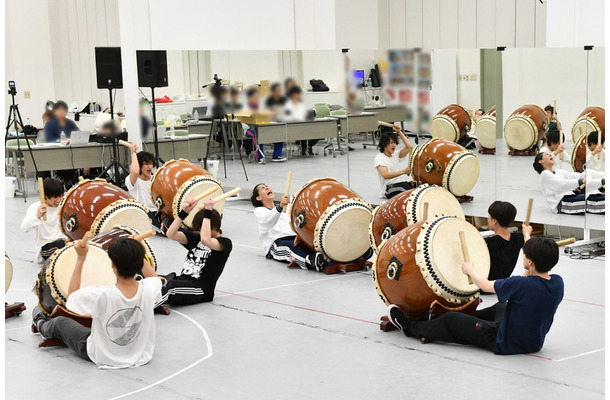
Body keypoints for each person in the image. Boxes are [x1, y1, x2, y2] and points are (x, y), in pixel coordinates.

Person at [388, 237, 564, 355]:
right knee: (503, 306)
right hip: (533, 342)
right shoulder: (557, 283)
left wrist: (469, 269)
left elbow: (485, 286)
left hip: (503, 341)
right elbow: (527, 283)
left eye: (525, 255)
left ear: (531, 261)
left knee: (451, 320)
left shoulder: (520, 284)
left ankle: (409, 327)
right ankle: (453, 321)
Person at [31, 238, 163, 368]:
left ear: (112, 265)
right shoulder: (149, 289)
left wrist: (81, 258)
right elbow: (155, 279)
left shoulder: (101, 295)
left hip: (101, 354)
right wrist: (138, 252)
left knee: (60, 322)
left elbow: (71, 298)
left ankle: (41, 323)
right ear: (140, 264)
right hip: (140, 355)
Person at [160, 198, 232, 306]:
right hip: (182, 281)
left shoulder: (225, 243)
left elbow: (206, 240)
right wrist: (184, 212)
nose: (199, 232)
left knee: (169, 287)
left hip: (200, 289)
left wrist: (208, 212)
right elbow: (170, 234)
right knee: (152, 280)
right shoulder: (196, 238)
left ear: (215, 226)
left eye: (201, 228)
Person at [250, 184, 324, 272]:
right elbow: (268, 221)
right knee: (289, 247)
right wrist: (280, 206)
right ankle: (309, 261)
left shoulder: (287, 207)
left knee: (312, 243)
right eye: (262, 188)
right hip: (276, 242)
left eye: (266, 186)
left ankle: (323, 258)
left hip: (295, 237)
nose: (266, 187)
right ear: (258, 198)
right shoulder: (259, 211)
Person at [533, 152, 604, 213]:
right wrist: (580, 181)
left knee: (588, 172)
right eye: (547, 154)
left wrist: (586, 176)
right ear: (541, 161)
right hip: (563, 203)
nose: (550, 155)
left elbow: (577, 176)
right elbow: (563, 184)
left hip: (571, 197)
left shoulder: (559, 172)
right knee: (595, 199)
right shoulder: (544, 174)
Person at [125, 142, 169, 234]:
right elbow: (135, 172)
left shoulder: (155, 179)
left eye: (151, 164)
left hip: (158, 212)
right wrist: (133, 152)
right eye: (146, 164)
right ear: (140, 166)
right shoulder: (133, 180)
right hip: (143, 213)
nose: (150, 166)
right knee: (163, 230)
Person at [20, 178, 67, 263]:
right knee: (61, 247)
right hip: (45, 248)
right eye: (55, 197)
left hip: (64, 242)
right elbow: (24, 228)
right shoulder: (35, 207)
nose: (59, 200)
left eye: (61, 196)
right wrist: (37, 216)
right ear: (45, 195)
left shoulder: (64, 205)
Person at [485, 201, 532, 282]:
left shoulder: (489, 242)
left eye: (489, 217)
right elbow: (532, 248)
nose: (488, 219)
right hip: (502, 284)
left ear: (494, 221)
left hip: (484, 285)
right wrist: (527, 234)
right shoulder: (518, 238)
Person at [244, 87, 286, 163]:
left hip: (263, 126)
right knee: (257, 134)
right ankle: (259, 157)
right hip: (249, 129)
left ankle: (277, 156)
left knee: (278, 133)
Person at [374, 125, 413, 198]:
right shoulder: (379, 158)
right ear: (384, 144)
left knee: (417, 186)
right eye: (391, 143)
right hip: (388, 188)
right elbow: (385, 175)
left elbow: (409, 147)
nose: (394, 145)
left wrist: (399, 131)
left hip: (399, 184)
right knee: (408, 191)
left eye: (395, 142)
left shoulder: (395, 155)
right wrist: (403, 172)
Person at [283, 85, 318, 156]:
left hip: (305, 122)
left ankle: (309, 145)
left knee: (318, 131)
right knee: (303, 131)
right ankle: (304, 148)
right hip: (294, 125)